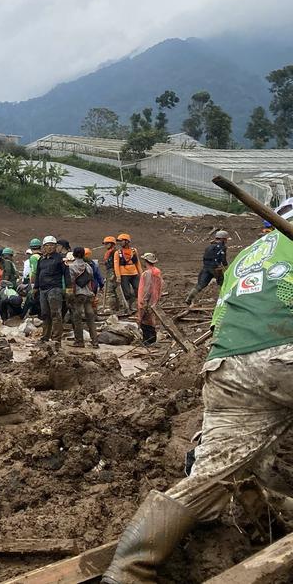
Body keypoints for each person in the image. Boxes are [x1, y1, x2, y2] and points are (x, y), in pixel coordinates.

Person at [100, 227, 293, 581]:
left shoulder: (249, 254)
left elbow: (220, 317)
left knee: (209, 477)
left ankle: (129, 571)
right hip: (285, 353)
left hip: (228, 367)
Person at [33, 235, 67, 343]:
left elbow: (66, 274)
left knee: (56, 313)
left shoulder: (60, 259)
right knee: (45, 314)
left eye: (52, 245)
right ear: (43, 247)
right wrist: (35, 287)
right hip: (43, 289)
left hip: (55, 289)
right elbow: (38, 274)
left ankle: (56, 338)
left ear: (56, 246)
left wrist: (69, 288)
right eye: (47, 245)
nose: (49, 247)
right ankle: (45, 336)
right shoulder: (41, 260)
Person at [186, 230, 230, 305]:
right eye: (225, 239)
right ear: (223, 239)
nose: (226, 241)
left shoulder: (209, 247)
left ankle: (189, 298)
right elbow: (223, 260)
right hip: (216, 269)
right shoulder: (222, 247)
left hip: (206, 268)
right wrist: (227, 268)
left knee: (201, 284)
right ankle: (224, 300)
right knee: (223, 283)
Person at [67, 247, 100, 348]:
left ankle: (79, 341)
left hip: (78, 295)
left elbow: (71, 283)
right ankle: (95, 342)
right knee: (90, 318)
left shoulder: (71, 267)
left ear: (74, 255)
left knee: (77, 318)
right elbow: (91, 281)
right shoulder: (88, 266)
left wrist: (69, 296)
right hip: (88, 295)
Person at [137, 252, 163, 346]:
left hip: (147, 301)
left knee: (145, 322)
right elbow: (160, 287)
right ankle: (152, 341)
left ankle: (148, 342)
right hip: (154, 300)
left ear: (146, 261)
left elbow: (147, 289)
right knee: (151, 321)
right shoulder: (157, 272)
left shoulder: (147, 274)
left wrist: (144, 302)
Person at [102, 236, 127, 312]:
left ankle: (113, 308)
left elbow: (116, 263)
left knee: (110, 291)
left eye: (107, 243)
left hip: (113, 272)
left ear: (112, 244)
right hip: (111, 271)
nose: (105, 245)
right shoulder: (111, 252)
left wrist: (114, 275)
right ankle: (117, 307)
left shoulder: (114, 252)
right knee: (114, 291)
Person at [114, 233, 142, 303]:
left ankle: (136, 304)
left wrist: (141, 274)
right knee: (127, 293)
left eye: (121, 241)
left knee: (138, 289)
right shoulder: (117, 253)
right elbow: (116, 266)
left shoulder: (134, 251)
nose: (120, 243)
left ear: (126, 241)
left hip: (134, 273)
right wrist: (118, 277)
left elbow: (137, 263)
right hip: (124, 275)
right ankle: (129, 306)